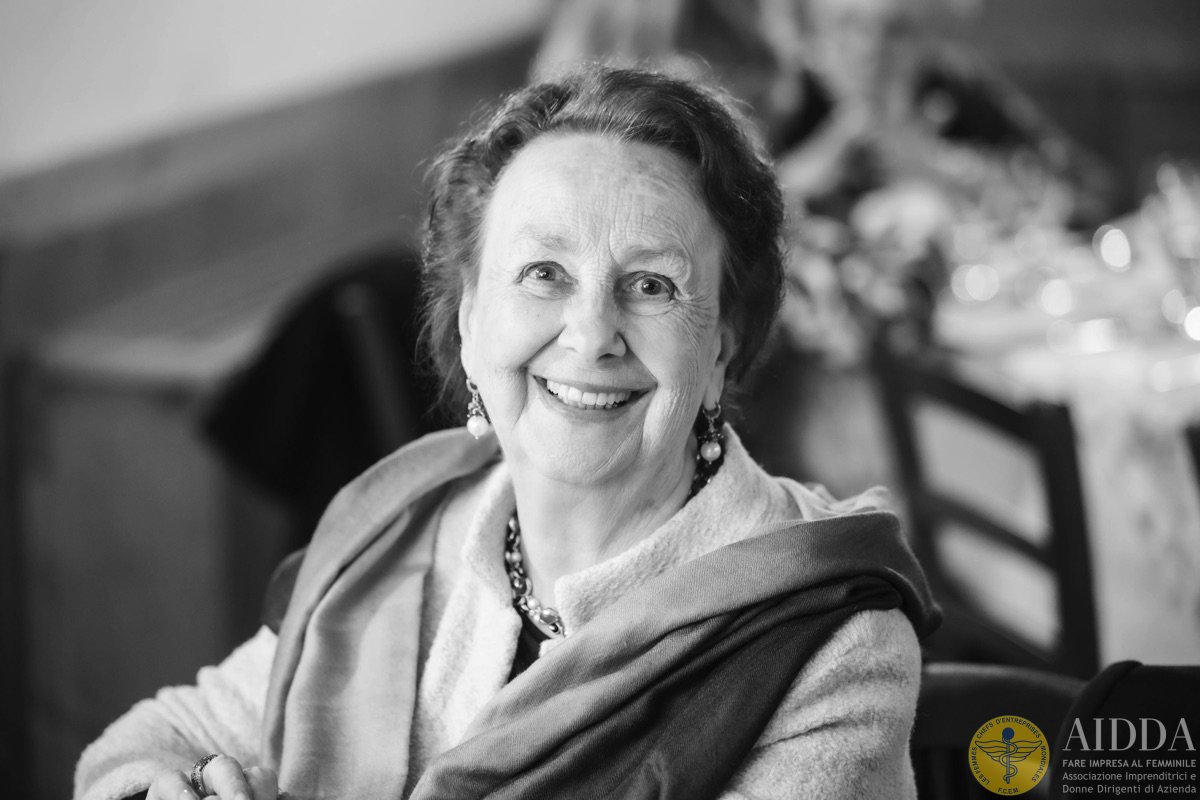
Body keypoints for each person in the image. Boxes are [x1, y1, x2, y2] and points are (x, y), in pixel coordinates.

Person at [74, 64, 939, 800]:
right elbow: (156, 738)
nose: (590, 335)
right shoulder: (398, 539)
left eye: (651, 285)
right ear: (470, 324)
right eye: (543, 274)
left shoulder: (825, 642)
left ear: (720, 348)